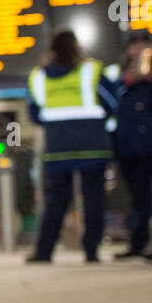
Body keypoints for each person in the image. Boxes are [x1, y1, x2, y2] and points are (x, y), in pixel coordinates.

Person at [25, 29, 118, 263]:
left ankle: (44, 251)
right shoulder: (92, 70)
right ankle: (91, 251)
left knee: (56, 201)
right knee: (93, 200)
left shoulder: (38, 77)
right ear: (77, 47)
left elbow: (34, 114)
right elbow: (113, 101)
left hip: (58, 148)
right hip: (93, 145)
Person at [114, 34, 152, 259]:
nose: (137, 49)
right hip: (129, 146)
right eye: (133, 45)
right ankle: (138, 242)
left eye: (142, 44)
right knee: (138, 198)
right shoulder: (119, 77)